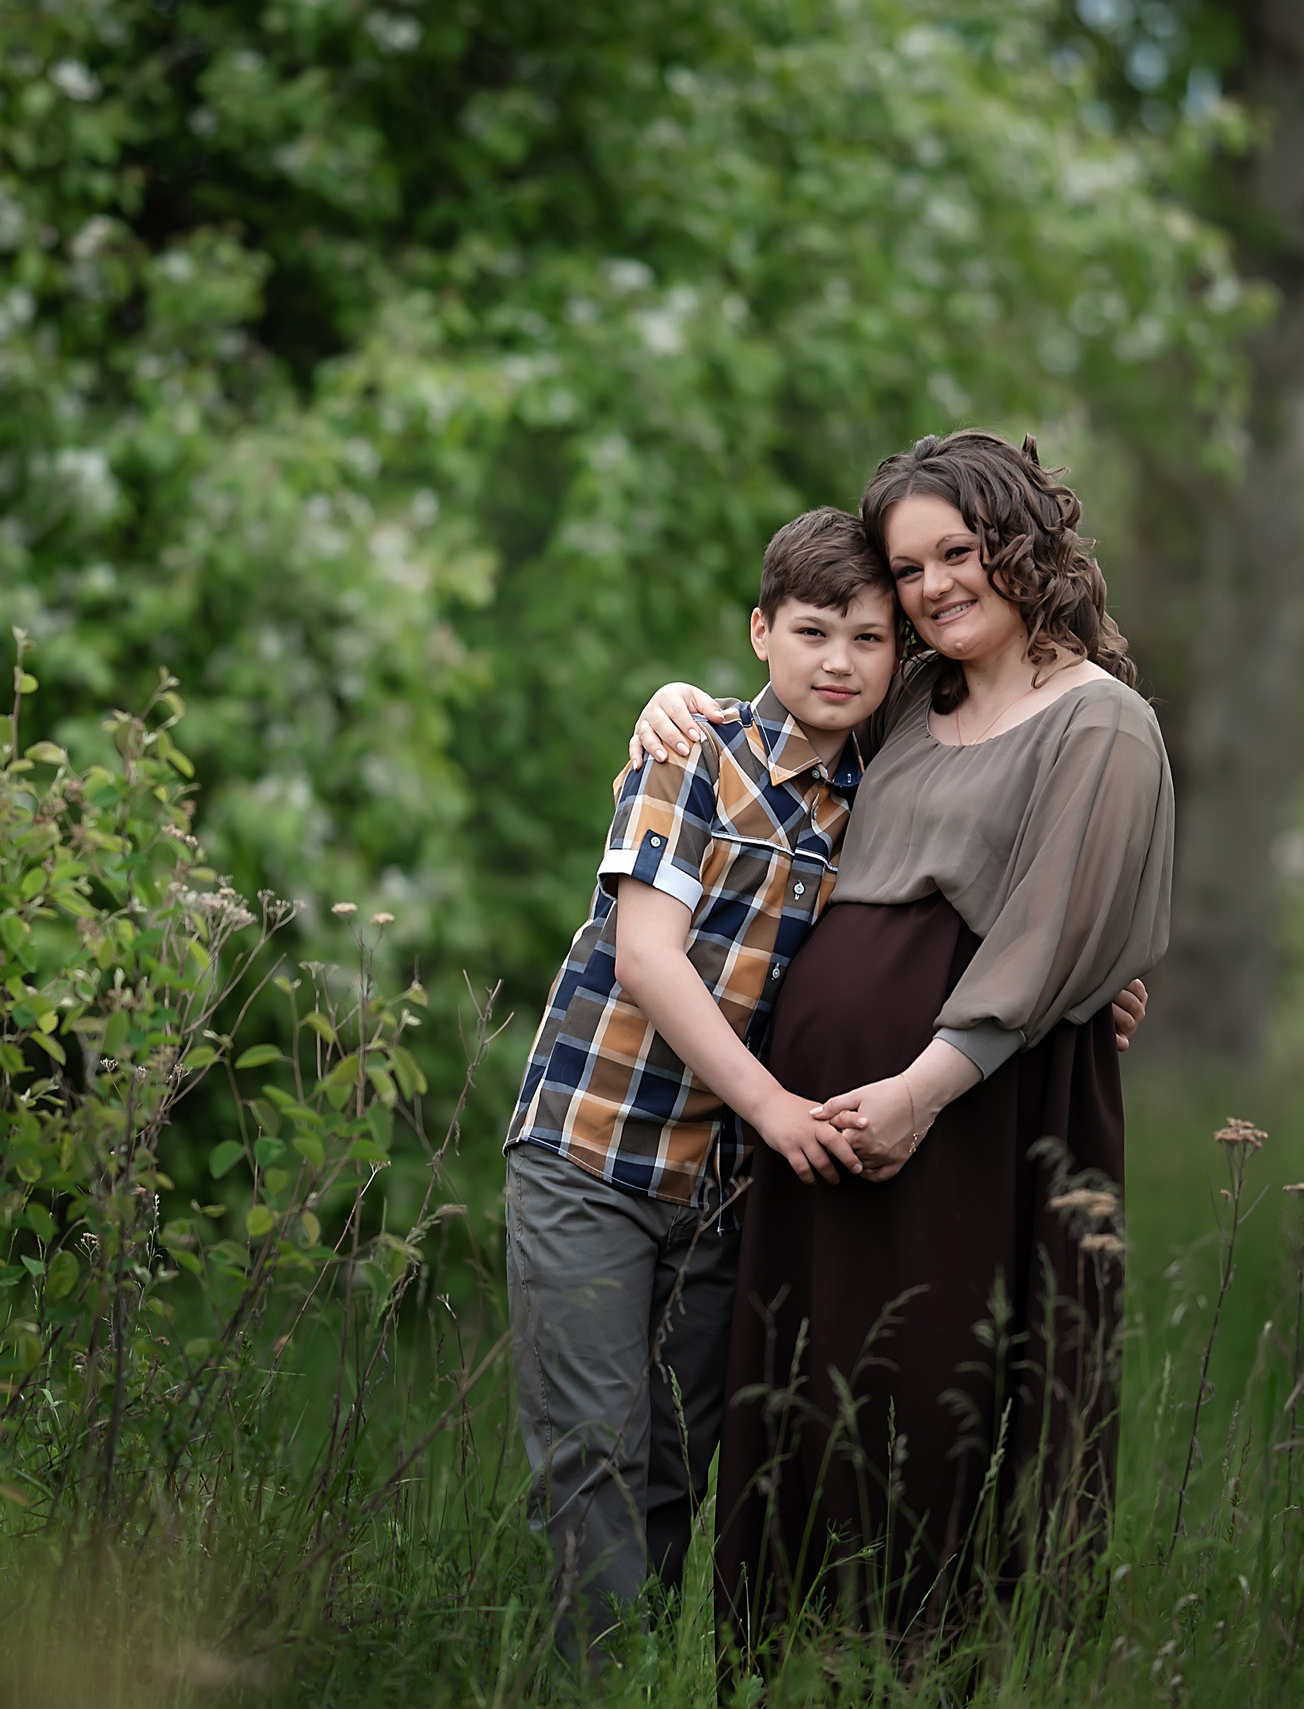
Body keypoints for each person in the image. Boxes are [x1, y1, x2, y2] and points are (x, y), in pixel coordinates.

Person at [627, 431, 1173, 1640]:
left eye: (957, 552)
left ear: (1023, 545)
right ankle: (773, 1665)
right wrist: (680, 704)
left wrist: (921, 1092)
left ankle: (917, 1663)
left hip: (962, 1116)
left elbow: (1049, 938)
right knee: (801, 1404)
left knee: (930, 1402)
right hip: (817, 1127)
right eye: (908, 565)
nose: (930, 587)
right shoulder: (913, 702)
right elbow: (784, 753)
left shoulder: (1102, 722)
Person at [502, 507, 892, 1661]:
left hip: (720, 1191)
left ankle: (617, 1676)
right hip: (593, 1151)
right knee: (592, 1456)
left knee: (674, 1460)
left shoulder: (882, 798)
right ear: (760, 630)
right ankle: (587, 1683)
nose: (838, 660)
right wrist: (773, 1105)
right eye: (813, 630)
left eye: (869, 638)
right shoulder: (694, 753)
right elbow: (646, 956)